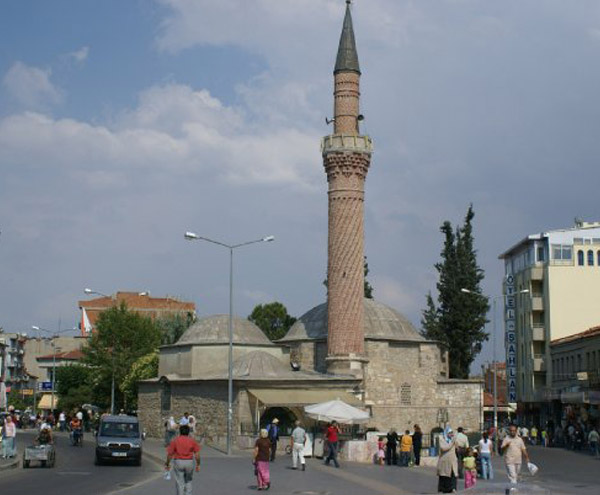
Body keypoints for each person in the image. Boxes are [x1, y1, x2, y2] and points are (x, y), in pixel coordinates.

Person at [165, 425, 201, 495]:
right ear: (188, 432)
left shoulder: (175, 441)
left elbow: (170, 454)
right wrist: (198, 464)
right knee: (188, 480)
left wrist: (167, 463)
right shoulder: (192, 441)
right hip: (189, 462)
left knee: (180, 482)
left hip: (178, 462)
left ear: (180, 432)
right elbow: (197, 454)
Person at [437, 427, 458, 493]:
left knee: (453, 474)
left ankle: (453, 488)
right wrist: (452, 443)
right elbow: (443, 448)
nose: (451, 434)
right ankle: (443, 489)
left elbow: (456, 447)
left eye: (451, 433)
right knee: (444, 475)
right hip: (444, 461)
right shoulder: (442, 439)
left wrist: (455, 442)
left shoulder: (452, 440)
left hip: (452, 460)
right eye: (449, 433)